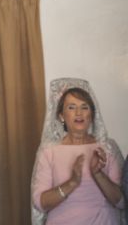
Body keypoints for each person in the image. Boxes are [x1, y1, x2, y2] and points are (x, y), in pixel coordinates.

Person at [31, 78, 125, 224]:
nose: (79, 113)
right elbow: (40, 203)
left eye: (84, 107)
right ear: (61, 116)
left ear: (92, 115)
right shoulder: (49, 152)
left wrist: (98, 174)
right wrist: (72, 182)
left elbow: (121, 202)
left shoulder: (107, 148)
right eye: (71, 107)